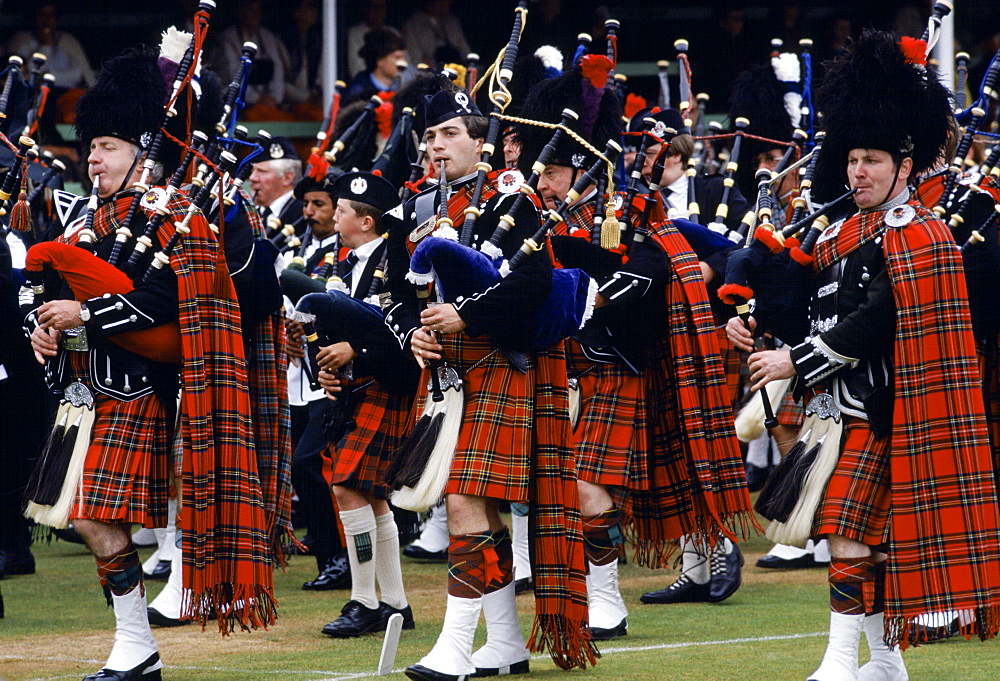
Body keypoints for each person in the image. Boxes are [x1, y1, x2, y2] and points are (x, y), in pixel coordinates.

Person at [728, 31, 1000, 680]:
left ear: (904, 166)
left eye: (872, 160)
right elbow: (816, 306)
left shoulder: (920, 232)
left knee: (850, 529)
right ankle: (884, 662)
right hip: (841, 410)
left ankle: (838, 662)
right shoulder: (841, 230)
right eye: (852, 159)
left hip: (892, 411)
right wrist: (757, 317)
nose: (859, 172)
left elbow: (876, 319)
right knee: (859, 538)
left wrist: (795, 361)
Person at [22, 42, 277, 679]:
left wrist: (88, 314)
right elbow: (59, 293)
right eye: (91, 146)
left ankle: (136, 646)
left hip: (150, 390)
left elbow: (174, 293)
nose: (94, 158)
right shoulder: (86, 221)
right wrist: (48, 330)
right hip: (97, 392)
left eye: (107, 146)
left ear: (141, 147)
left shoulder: (177, 212)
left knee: (92, 518)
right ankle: (137, 646)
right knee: (89, 523)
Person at [521, 55, 756, 639]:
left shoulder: (626, 213)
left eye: (550, 173)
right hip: (558, 364)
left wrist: (700, 271)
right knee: (559, 487)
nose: (540, 182)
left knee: (587, 485)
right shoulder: (539, 218)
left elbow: (681, 261)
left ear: (580, 168)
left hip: (616, 363)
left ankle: (608, 601)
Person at [383, 82, 595, 679]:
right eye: (429, 136)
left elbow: (532, 285)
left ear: (484, 143)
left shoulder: (516, 200)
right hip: (448, 376)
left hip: (505, 366)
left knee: (463, 501)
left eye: (450, 133)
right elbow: (399, 292)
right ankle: (503, 642)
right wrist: (411, 334)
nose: (436, 146)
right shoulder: (418, 208)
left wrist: (467, 314)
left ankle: (454, 647)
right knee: (469, 502)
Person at [307, 170, 419, 637]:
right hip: (357, 390)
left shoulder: (397, 259)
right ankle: (394, 604)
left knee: (348, 486)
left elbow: (406, 323)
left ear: (368, 221)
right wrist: (330, 367)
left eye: (343, 210)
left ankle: (364, 600)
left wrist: (357, 351)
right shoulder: (347, 262)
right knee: (370, 497)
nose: (334, 216)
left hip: (390, 383)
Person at [280, 171, 352, 591]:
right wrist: (286, 333)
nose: (309, 213)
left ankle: (339, 556)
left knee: (315, 464)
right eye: (306, 205)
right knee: (304, 467)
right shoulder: (300, 247)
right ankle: (328, 551)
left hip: (334, 373)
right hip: (301, 377)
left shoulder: (346, 252)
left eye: (320, 205)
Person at [6, 0, 95, 124]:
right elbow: (23, 76)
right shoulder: (21, 40)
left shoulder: (67, 41)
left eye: (51, 15)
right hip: (32, 100)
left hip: (66, 100)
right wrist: (45, 45)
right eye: (42, 14)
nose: (46, 20)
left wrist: (49, 76)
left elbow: (82, 74)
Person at [210, 0, 292, 120]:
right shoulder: (227, 38)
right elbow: (233, 76)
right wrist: (256, 99)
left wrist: (275, 98)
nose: (255, 13)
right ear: (238, 12)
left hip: (270, 104)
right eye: (250, 9)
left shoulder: (268, 37)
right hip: (240, 105)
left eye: (258, 9)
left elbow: (278, 71)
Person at [250, 137, 305, 238]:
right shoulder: (249, 213)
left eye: (262, 171)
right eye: (253, 171)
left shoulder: (303, 213)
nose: (252, 178)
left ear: (287, 178)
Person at [402, 0, 471, 69]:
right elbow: (416, 60)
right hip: (429, 74)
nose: (448, 3)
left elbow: (466, 53)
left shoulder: (453, 23)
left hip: (456, 72)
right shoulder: (413, 25)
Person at [345, 28, 407, 105]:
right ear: (380, 60)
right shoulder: (358, 92)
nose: (403, 62)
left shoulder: (402, 88)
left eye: (403, 57)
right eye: (397, 57)